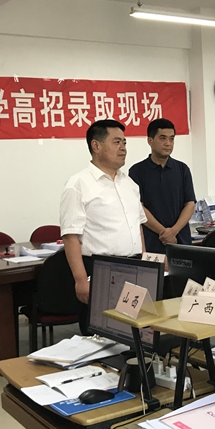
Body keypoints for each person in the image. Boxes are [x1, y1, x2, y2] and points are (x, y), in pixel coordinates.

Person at [60, 119, 146, 332]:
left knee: (134, 333)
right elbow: (70, 236)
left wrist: (145, 265)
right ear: (96, 146)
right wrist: (81, 280)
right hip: (101, 270)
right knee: (101, 336)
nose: (123, 148)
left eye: (124, 142)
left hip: (134, 267)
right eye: (117, 142)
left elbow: (138, 227)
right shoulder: (78, 184)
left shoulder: (130, 184)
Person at [129, 118, 196, 254]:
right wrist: (164, 232)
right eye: (162, 138)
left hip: (180, 241)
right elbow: (139, 207)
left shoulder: (182, 169)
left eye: (172, 139)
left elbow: (190, 204)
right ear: (150, 140)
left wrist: (173, 231)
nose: (168, 143)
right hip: (151, 242)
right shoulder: (137, 171)